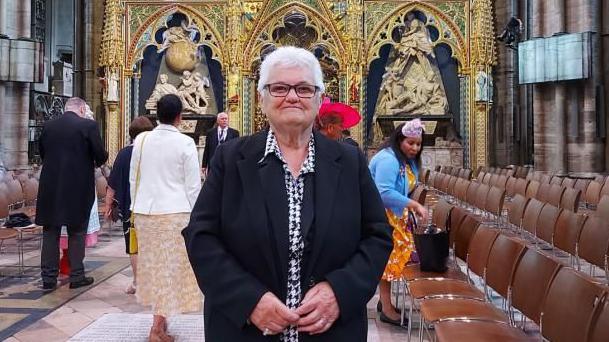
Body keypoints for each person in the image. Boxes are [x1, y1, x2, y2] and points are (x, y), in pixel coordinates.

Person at [182, 46, 392, 341]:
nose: (292, 96)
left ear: (319, 99)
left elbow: (378, 236)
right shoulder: (230, 159)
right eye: (279, 88)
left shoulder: (348, 161)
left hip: (331, 332)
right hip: (245, 330)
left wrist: (339, 291)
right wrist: (249, 300)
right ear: (261, 97)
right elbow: (200, 236)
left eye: (304, 88)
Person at [129, 94, 202, 341]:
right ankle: (156, 329)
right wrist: (198, 216)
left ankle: (160, 323)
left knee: (153, 269)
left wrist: (135, 205)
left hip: (145, 212)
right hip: (175, 213)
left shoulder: (141, 140)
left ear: (156, 114)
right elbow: (193, 186)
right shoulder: (185, 143)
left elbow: (133, 178)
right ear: (180, 116)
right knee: (168, 270)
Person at [36, 97, 108, 291]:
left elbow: (42, 152)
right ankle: (77, 275)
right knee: (77, 231)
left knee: (50, 232)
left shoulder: (49, 126)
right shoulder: (88, 126)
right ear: (82, 109)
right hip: (78, 186)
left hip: (50, 186)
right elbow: (100, 156)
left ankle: (48, 278)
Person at [368, 118, 428, 326]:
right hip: (383, 217)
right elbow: (383, 193)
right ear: (399, 140)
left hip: (394, 216)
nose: (414, 148)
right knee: (388, 262)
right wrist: (414, 205)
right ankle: (386, 308)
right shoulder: (389, 159)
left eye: (418, 144)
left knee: (394, 261)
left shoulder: (403, 159)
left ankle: (386, 302)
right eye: (410, 143)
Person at [104, 116, 154, 294]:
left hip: (131, 207)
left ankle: (137, 282)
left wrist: (108, 205)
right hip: (154, 207)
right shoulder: (156, 152)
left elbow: (113, 183)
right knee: (151, 245)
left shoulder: (124, 153)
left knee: (134, 246)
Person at [58, 104, 102, 276]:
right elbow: (99, 155)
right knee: (76, 227)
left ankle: (70, 262)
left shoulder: (55, 127)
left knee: (64, 225)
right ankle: (72, 264)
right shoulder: (86, 129)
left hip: (61, 184)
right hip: (80, 184)